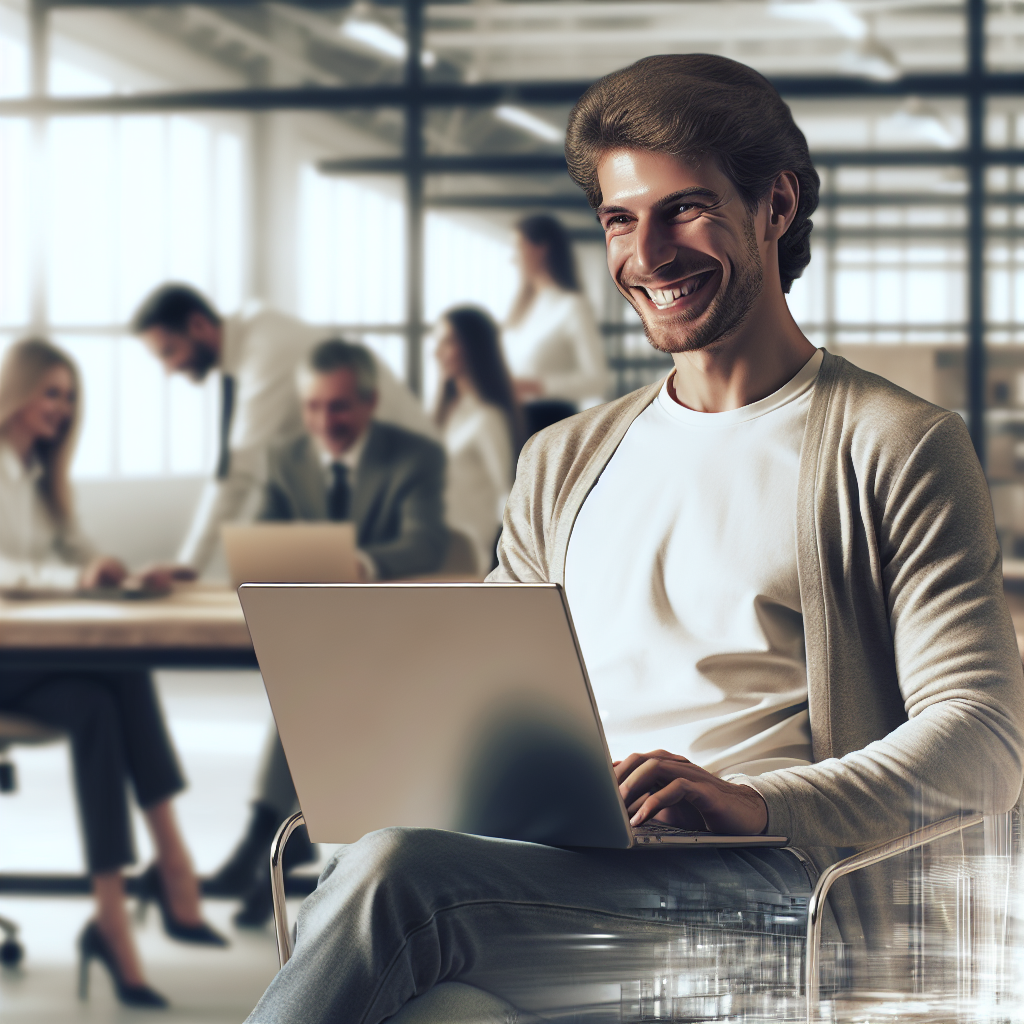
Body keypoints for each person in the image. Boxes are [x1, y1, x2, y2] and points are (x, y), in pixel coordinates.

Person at [244, 55, 1024, 1023]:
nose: (647, 255)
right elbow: (478, 703)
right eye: (620, 219)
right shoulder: (564, 458)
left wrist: (753, 799)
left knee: (401, 875)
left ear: (776, 205)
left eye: (684, 209)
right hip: (561, 872)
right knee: (399, 903)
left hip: (777, 896)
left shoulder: (894, 444)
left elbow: (984, 746)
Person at [0, 338, 225, 1010]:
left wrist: (120, 574)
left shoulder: (37, 476)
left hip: (32, 665)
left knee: (102, 702)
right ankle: (174, 864)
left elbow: (75, 551)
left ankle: (112, 916)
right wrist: (75, 577)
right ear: (17, 391)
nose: (63, 410)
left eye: (69, 399)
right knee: (123, 671)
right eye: (52, 393)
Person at [211, 337, 448, 927]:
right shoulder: (287, 457)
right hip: (309, 623)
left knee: (311, 691)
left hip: (391, 628)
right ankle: (271, 849)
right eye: (313, 408)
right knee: (309, 685)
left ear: (368, 404)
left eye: (338, 407)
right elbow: (263, 538)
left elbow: (426, 541)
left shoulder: (414, 455)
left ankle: (260, 842)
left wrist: (359, 565)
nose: (325, 422)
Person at [130, 286, 435, 576]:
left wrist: (188, 567)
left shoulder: (265, 350)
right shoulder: (246, 344)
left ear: (198, 324)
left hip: (405, 483)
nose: (168, 370)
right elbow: (236, 471)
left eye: (168, 352)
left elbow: (237, 472)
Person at [503, 213, 610, 435]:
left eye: (517, 247)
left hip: (548, 426)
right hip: (511, 422)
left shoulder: (572, 307)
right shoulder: (521, 310)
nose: (512, 258)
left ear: (541, 249)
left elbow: (598, 380)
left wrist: (536, 386)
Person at [433, 306, 521, 576]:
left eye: (448, 341)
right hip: (435, 541)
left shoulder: (488, 418)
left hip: (467, 551)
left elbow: (506, 494)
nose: (437, 352)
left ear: (472, 346)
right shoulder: (448, 412)